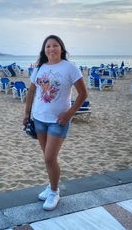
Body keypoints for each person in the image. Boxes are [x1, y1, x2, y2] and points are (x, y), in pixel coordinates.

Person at [23, 35, 87, 211]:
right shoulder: (40, 68)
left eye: (55, 45)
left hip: (58, 122)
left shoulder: (70, 67)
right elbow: (31, 92)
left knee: (50, 158)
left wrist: (69, 114)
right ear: (44, 50)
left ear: (61, 48)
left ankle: (54, 192)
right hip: (39, 119)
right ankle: (52, 185)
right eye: (48, 46)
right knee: (47, 158)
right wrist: (27, 113)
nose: (51, 49)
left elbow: (83, 94)